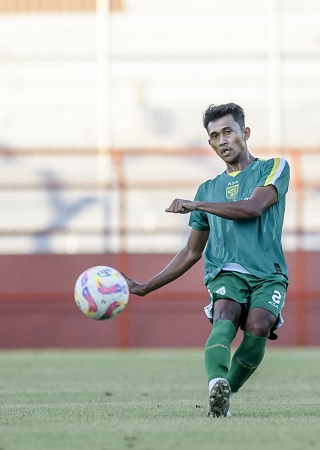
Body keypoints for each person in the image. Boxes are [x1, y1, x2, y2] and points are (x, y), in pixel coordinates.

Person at [122, 103, 290, 417]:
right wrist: (145, 287)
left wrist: (199, 204)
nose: (223, 140)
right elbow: (191, 252)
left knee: (259, 324)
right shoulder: (208, 188)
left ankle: (227, 393)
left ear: (245, 133)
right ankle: (216, 385)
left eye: (229, 131)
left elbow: (253, 208)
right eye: (215, 136)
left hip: (270, 273)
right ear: (210, 143)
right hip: (225, 271)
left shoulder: (274, 168)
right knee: (225, 313)